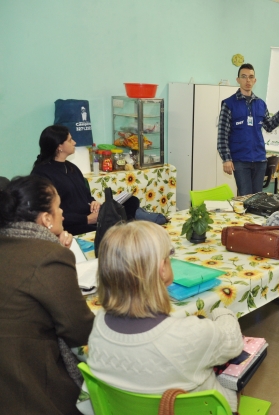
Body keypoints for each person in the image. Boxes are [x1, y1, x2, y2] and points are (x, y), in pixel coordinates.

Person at [86, 221, 245, 413]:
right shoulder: (189, 334)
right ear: (162, 269)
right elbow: (234, 342)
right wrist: (221, 312)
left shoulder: (98, 324)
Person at [0, 175, 95, 415]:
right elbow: (79, 329)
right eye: (58, 207)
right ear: (45, 219)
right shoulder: (48, 256)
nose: (62, 212)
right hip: (27, 383)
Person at [32, 125, 140, 235]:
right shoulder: (41, 174)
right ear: (59, 146)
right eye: (70, 140)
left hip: (91, 216)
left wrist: (94, 202)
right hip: (74, 224)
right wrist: (87, 219)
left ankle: (136, 223)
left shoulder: (71, 167)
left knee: (131, 202)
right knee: (116, 224)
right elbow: (49, 213)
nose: (74, 142)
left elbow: (86, 195)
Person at [217, 63, 279, 196]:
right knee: (245, 198)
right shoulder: (228, 104)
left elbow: (269, 126)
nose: (248, 80)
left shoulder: (260, 104)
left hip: (259, 160)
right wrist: (226, 159)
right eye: (244, 77)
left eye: (251, 77)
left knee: (257, 199)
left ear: (255, 80)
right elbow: (222, 135)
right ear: (238, 80)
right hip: (240, 161)